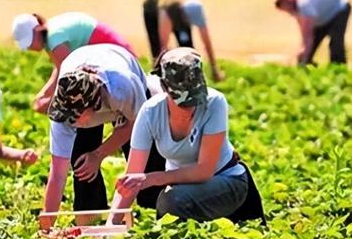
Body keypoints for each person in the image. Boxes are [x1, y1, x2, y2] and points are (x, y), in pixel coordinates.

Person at [108, 48, 265, 225]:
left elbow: (204, 171)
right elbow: (132, 177)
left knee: (171, 200)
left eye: (194, 98)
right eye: (182, 100)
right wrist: (112, 223)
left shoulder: (214, 103)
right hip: (182, 187)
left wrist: (151, 178)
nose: (190, 106)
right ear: (165, 88)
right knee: (171, 199)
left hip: (226, 180)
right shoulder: (150, 112)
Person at [41, 43, 166, 229]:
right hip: (83, 69)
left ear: (91, 108)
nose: (69, 121)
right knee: (82, 165)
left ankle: (158, 219)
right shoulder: (63, 112)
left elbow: (137, 126)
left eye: (74, 116)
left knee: (148, 163)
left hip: (127, 91)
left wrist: (98, 154)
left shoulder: (122, 88)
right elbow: (57, 175)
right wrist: (47, 227)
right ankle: (90, 223)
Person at [11, 11, 136, 114]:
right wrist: (44, 93)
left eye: (29, 42)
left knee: (89, 104)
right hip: (108, 57)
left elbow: (71, 77)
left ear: (38, 30)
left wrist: (51, 103)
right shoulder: (51, 35)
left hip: (116, 57)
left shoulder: (54, 40)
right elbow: (60, 68)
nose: (29, 48)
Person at [142, 0, 224, 81]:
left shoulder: (196, 9)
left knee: (187, 50)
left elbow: (206, 42)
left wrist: (214, 68)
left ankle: (191, 80)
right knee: (157, 50)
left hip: (179, 11)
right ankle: (157, 80)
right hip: (152, 10)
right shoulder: (167, 9)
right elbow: (163, 45)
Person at [274, 0, 351, 65]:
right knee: (309, 48)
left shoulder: (305, 4)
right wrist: (302, 48)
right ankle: (308, 66)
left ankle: (338, 67)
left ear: (288, 0)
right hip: (321, 15)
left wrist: (304, 49)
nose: (289, 12)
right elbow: (303, 30)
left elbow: (308, 34)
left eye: (288, 9)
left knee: (336, 40)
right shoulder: (293, 6)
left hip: (339, 9)